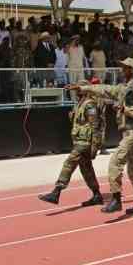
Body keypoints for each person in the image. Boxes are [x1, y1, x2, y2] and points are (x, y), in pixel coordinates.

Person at [69, 58, 133, 214]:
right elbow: (104, 89)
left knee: (115, 161)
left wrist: (125, 109)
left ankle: (116, 198)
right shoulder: (122, 88)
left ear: (131, 70)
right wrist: (83, 88)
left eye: (125, 68)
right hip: (126, 130)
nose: (121, 70)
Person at [38, 78, 106, 207]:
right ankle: (97, 194)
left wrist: (95, 146)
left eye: (79, 89)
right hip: (79, 140)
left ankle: (56, 192)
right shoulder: (80, 103)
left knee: (69, 163)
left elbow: (95, 126)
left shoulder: (90, 104)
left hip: (85, 142)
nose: (76, 91)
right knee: (86, 169)